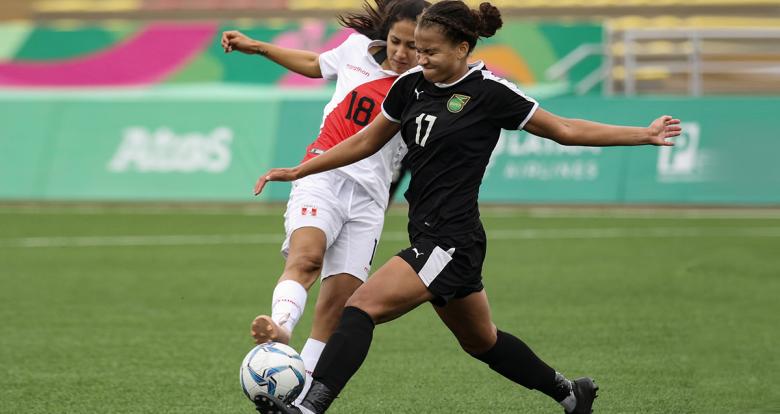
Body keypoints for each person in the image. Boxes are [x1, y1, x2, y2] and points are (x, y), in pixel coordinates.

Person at [251, 1, 682, 413]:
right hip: (431, 235)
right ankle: (572, 395)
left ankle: (309, 405)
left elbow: (564, 129)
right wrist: (301, 169)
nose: (420, 58)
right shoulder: (409, 85)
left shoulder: (490, 93)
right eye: (418, 49)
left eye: (431, 51)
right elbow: (365, 141)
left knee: (360, 308)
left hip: (450, 240)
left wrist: (642, 134)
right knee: (483, 342)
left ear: (463, 48)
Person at [221, 0, 429, 403]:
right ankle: (281, 328)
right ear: (385, 35)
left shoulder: (425, 82)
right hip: (322, 175)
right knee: (306, 258)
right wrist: (259, 46)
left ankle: (296, 402)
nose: (402, 53)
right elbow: (316, 63)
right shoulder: (354, 50)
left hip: (370, 198)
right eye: (396, 41)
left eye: (413, 46)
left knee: (337, 306)